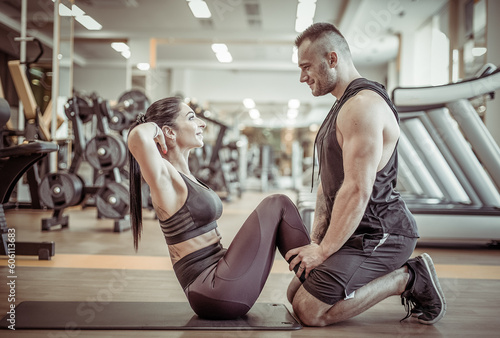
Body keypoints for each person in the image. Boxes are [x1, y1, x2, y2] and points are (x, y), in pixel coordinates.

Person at [284, 22, 446, 326]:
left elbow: (356, 190)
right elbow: (327, 184)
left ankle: (408, 277)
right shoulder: (341, 105)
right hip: (355, 232)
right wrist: (318, 242)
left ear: (332, 59)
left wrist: (323, 252)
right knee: (294, 292)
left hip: (382, 233)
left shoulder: (363, 106)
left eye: (306, 67)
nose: (302, 76)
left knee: (308, 311)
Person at [127, 96, 310, 319]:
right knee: (277, 203)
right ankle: (321, 284)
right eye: (192, 118)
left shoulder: (186, 176)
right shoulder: (165, 177)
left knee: (278, 205)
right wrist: (152, 127)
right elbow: (136, 137)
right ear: (169, 132)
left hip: (219, 279)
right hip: (212, 290)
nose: (202, 124)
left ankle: (315, 281)